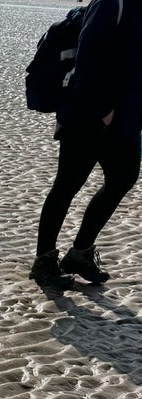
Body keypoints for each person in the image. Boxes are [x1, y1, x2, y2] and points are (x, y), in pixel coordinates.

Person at [31, 0, 142, 286]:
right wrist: (104, 110)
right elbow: (88, 57)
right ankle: (44, 261)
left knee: (123, 179)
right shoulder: (111, 3)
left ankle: (80, 254)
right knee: (67, 185)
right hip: (89, 114)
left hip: (125, 116)